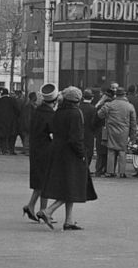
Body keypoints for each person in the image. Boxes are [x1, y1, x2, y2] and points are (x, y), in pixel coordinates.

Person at [37, 86, 97, 230]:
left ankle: (69, 220)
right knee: (73, 187)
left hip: (57, 152)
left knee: (68, 186)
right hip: (71, 155)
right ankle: (48, 211)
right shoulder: (76, 113)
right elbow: (76, 138)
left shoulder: (58, 112)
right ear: (77, 100)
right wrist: (82, 154)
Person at [24, 84, 58, 222]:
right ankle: (42, 210)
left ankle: (32, 206)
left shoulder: (37, 111)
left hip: (36, 149)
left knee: (40, 182)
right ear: (54, 101)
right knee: (45, 182)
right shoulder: (51, 115)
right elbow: (53, 133)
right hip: (47, 150)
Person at [97, 86, 137, 177]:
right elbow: (133, 123)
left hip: (111, 130)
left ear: (116, 95)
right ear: (124, 95)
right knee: (122, 151)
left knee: (111, 150)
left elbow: (99, 115)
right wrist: (133, 136)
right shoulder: (130, 106)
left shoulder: (109, 104)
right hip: (124, 131)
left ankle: (110, 172)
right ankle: (122, 172)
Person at [0, 87, 20, 155]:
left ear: (2, 94)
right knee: (12, 136)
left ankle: (3, 150)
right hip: (12, 121)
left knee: (2, 136)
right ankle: (11, 150)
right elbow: (18, 110)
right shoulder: (13, 100)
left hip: (1, 121)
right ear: (7, 93)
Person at [78, 90, 98, 169]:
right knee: (89, 151)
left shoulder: (78, 107)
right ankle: (86, 166)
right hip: (89, 132)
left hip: (79, 131)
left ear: (82, 97)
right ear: (92, 98)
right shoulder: (93, 109)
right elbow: (94, 122)